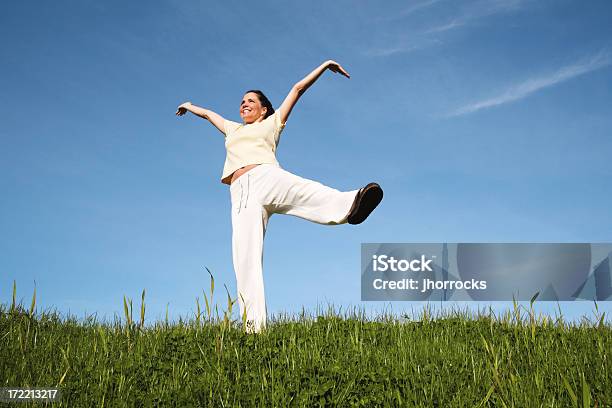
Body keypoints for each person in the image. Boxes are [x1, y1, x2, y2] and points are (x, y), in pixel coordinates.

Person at [176, 60, 383, 333]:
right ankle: (254, 330)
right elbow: (208, 114)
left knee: (306, 191)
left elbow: (297, 89)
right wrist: (189, 106)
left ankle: (352, 204)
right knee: (245, 258)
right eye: (242, 101)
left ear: (263, 110)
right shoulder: (232, 128)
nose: (244, 104)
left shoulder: (273, 123)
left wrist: (324, 67)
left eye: (250, 101)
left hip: (266, 176)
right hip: (241, 194)